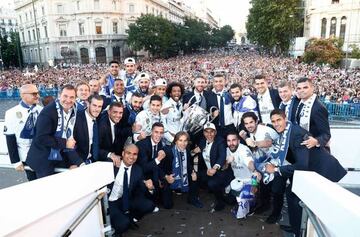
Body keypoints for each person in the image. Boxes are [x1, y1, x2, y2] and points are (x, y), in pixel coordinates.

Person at [267, 109, 347, 236]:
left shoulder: (296, 134)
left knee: (296, 198)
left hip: (323, 172)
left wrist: (277, 169)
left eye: (279, 120)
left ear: (285, 118)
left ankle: (299, 230)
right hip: (310, 171)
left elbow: (302, 165)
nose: (276, 124)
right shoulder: (286, 131)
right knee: (291, 194)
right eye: (273, 121)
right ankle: (296, 228)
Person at [26, 84, 77, 178]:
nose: (68, 100)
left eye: (72, 97)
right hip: (43, 161)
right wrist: (65, 143)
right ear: (59, 95)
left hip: (59, 157)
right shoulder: (48, 112)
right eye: (65, 96)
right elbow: (41, 138)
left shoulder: (73, 111)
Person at [108, 144, 155, 236]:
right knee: (122, 224)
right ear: (122, 153)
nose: (131, 157)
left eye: (135, 154)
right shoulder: (112, 165)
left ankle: (131, 217)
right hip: (111, 201)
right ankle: (117, 227)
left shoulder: (137, 170)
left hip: (125, 199)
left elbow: (142, 191)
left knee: (149, 205)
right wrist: (110, 155)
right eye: (128, 153)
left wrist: (150, 188)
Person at [192, 122, 234, 211]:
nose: (209, 134)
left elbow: (222, 156)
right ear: (203, 133)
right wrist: (193, 152)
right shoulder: (203, 141)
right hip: (208, 171)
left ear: (215, 132)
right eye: (206, 132)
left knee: (212, 183)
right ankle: (193, 198)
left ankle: (220, 201)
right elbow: (196, 150)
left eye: (211, 132)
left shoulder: (220, 141)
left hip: (221, 171)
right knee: (194, 176)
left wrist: (215, 167)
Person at [4, 83, 42, 181]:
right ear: (23, 95)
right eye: (34, 93)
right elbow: (10, 138)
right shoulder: (11, 113)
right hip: (26, 156)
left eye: (37, 93)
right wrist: (15, 161)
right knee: (34, 183)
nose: (37, 96)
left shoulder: (41, 110)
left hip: (43, 154)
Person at [224, 131, 261, 219]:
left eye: (234, 140)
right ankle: (243, 201)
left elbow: (250, 163)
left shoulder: (244, 150)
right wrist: (227, 162)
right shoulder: (227, 150)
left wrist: (255, 172)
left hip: (251, 179)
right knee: (229, 201)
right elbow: (223, 168)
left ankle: (253, 203)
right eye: (229, 141)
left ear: (239, 141)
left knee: (246, 196)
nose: (231, 143)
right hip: (238, 180)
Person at [162, 131, 200, 208]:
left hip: (184, 173)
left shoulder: (187, 149)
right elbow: (160, 168)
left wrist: (193, 171)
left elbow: (189, 163)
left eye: (185, 141)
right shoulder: (168, 151)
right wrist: (166, 176)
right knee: (167, 206)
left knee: (195, 176)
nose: (183, 143)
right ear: (175, 141)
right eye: (180, 140)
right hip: (170, 176)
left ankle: (192, 199)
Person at [135, 123, 168, 208]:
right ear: (151, 132)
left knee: (168, 203)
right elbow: (144, 167)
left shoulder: (160, 143)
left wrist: (162, 177)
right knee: (150, 203)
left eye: (161, 133)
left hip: (153, 172)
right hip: (140, 174)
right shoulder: (142, 144)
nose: (158, 135)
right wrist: (158, 159)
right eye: (156, 132)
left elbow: (158, 166)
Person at [293, 77, 331, 150]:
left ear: (312, 88)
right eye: (299, 88)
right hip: (303, 148)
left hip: (317, 150)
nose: (302, 91)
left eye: (305, 87)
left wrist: (316, 141)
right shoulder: (300, 104)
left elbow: (326, 134)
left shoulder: (318, 108)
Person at [67, 94, 104, 166]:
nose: (97, 109)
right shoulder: (76, 118)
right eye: (94, 105)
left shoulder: (100, 119)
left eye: (100, 106)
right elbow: (68, 146)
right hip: (78, 163)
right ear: (87, 103)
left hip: (93, 162)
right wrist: (79, 163)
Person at [98, 102, 131, 166]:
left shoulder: (120, 121)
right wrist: (110, 155)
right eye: (115, 112)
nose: (118, 115)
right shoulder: (102, 126)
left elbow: (125, 131)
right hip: (100, 159)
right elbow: (95, 149)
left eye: (120, 113)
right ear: (109, 112)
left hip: (114, 154)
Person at [206, 74, 235, 138]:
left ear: (225, 82)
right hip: (216, 128)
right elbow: (205, 111)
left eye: (220, 81)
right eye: (216, 81)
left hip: (231, 127)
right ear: (213, 83)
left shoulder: (231, 93)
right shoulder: (208, 95)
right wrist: (212, 114)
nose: (218, 83)